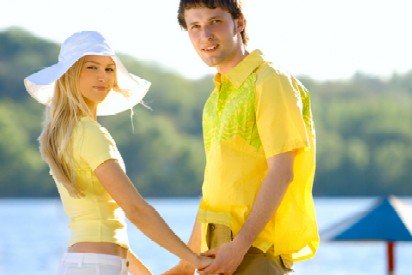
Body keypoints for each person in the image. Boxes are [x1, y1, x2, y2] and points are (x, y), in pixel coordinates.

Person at [24, 31, 212, 275]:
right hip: (96, 266)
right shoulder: (89, 133)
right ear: (69, 74)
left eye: (110, 69)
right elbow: (135, 209)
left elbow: (106, 229)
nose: (103, 77)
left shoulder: (67, 133)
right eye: (92, 67)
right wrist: (193, 260)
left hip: (91, 263)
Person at [164, 1, 319, 274]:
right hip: (217, 256)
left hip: (254, 252)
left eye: (215, 21)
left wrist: (240, 246)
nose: (205, 35)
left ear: (239, 22)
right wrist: (187, 264)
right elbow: (214, 192)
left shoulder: (270, 80)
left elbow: (282, 172)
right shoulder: (214, 101)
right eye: (195, 26)